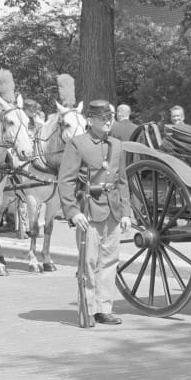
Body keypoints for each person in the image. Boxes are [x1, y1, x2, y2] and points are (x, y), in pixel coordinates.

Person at [57, 100, 132, 326]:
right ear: (90, 120)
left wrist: (126, 212)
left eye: (110, 118)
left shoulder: (116, 145)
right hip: (88, 211)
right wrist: (72, 212)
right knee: (88, 262)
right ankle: (88, 309)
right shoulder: (77, 144)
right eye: (103, 118)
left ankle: (103, 309)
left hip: (113, 210)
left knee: (109, 261)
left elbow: (122, 181)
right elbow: (66, 181)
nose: (108, 121)